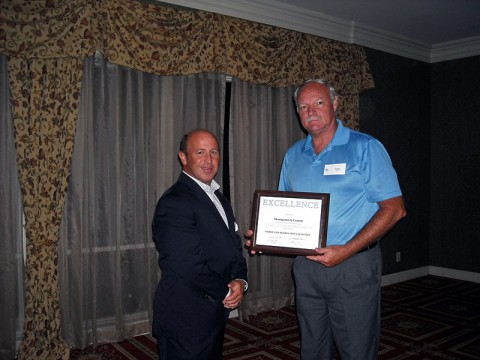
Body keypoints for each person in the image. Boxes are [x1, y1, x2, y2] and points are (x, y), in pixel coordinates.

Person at [248, 79, 406, 359]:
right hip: (307, 268)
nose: (310, 111)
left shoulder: (365, 147)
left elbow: (394, 209)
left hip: (353, 265)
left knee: (356, 348)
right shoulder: (294, 155)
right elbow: (284, 208)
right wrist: (264, 236)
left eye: (318, 103)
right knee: (312, 346)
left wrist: (345, 251)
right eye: (303, 106)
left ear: (334, 104)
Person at [152, 129, 248, 360]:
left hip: (211, 312)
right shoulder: (174, 202)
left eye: (213, 152)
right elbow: (186, 264)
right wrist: (226, 291)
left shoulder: (218, 197)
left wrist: (240, 280)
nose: (209, 160)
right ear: (183, 157)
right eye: (200, 152)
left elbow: (233, 246)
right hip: (186, 317)